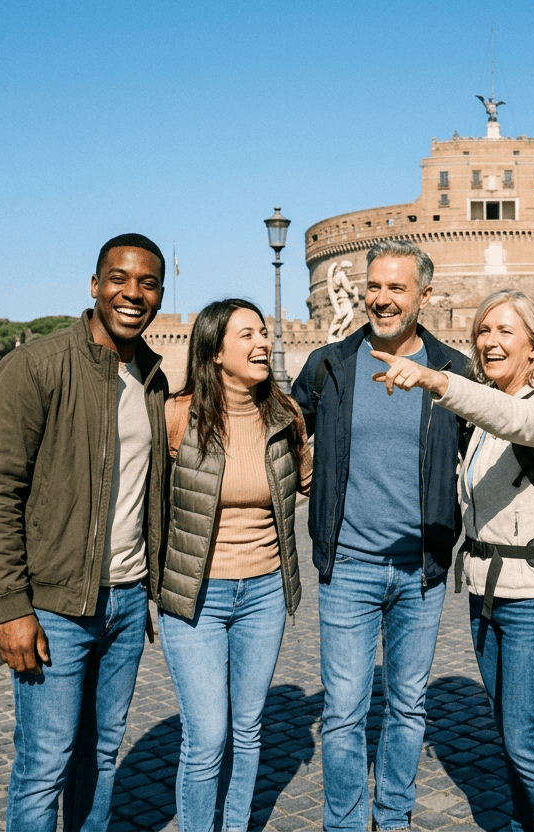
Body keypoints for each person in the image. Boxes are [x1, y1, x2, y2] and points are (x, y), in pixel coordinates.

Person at [0, 233, 168, 832]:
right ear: (94, 285)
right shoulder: (36, 365)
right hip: (54, 605)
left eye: (148, 283)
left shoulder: (152, 379)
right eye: (119, 278)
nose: (132, 293)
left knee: (101, 758)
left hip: (128, 601)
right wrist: (11, 609)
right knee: (44, 765)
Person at [372, 288, 534, 832]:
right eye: (483, 331)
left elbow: (517, 420)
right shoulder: (487, 424)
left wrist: (438, 381)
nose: (489, 341)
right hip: (489, 596)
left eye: (504, 331)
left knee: (529, 742)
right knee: (512, 742)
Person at [290, 239, 467, 832]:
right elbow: (281, 426)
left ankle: (392, 818)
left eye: (397, 287)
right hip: (349, 566)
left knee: (408, 706)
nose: (382, 299)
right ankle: (343, 823)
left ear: (424, 295)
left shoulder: (452, 372)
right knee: (342, 711)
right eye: (374, 286)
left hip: (421, 569)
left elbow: (495, 442)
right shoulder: (329, 365)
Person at [158, 298, 312, 832]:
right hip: (196, 593)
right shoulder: (178, 417)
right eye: (247, 335)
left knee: (248, 729)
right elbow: (145, 500)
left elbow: (314, 482)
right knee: (207, 736)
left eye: (265, 333)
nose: (262, 343)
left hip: (265, 591)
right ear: (216, 351)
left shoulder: (284, 416)